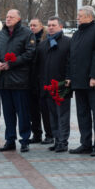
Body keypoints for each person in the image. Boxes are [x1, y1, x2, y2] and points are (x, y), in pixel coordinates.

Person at [0, 9, 37, 152]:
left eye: (11, 17)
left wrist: (12, 63)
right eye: (6, 16)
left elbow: (30, 53)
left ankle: (24, 140)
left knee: (23, 113)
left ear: (18, 19)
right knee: (8, 113)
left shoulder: (26, 33)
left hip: (20, 80)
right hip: (4, 81)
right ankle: (10, 140)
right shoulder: (1, 34)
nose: (8, 19)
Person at [67, 6, 95, 157]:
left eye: (80, 16)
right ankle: (86, 144)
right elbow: (72, 58)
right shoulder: (77, 34)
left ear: (89, 17)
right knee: (82, 114)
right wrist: (70, 77)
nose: (77, 18)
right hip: (79, 82)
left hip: (93, 82)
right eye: (78, 16)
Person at [34, 16, 72, 152]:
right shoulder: (43, 44)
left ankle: (63, 142)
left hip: (62, 86)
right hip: (47, 86)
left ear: (61, 27)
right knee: (52, 116)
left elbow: (70, 62)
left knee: (62, 115)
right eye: (49, 25)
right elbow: (38, 66)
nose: (50, 27)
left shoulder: (68, 42)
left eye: (53, 25)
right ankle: (57, 140)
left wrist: (68, 78)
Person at [27, 17, 52, 144]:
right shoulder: (28, 39)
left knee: (45, 109)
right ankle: (36, 134)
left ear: (41, 26)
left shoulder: (46, 39)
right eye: (30, 25)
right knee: (33, 110)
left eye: (35, 25)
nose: (32, 27)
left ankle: (49, 134)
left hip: (43, 78)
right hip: (30, 79)